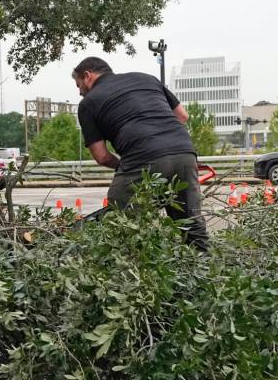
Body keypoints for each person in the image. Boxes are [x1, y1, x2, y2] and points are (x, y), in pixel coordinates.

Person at [73, 57, 208, 250]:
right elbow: (182, 116)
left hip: (142, 155)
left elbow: (101, 156)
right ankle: (204, 270)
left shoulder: (89, 103)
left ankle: (133, 271)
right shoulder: (147, 79)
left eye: (79, 85)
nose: (79, 93)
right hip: (184, 152)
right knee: (191, 222)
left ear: (87, 76)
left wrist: (123, 166)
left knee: (123, 220)